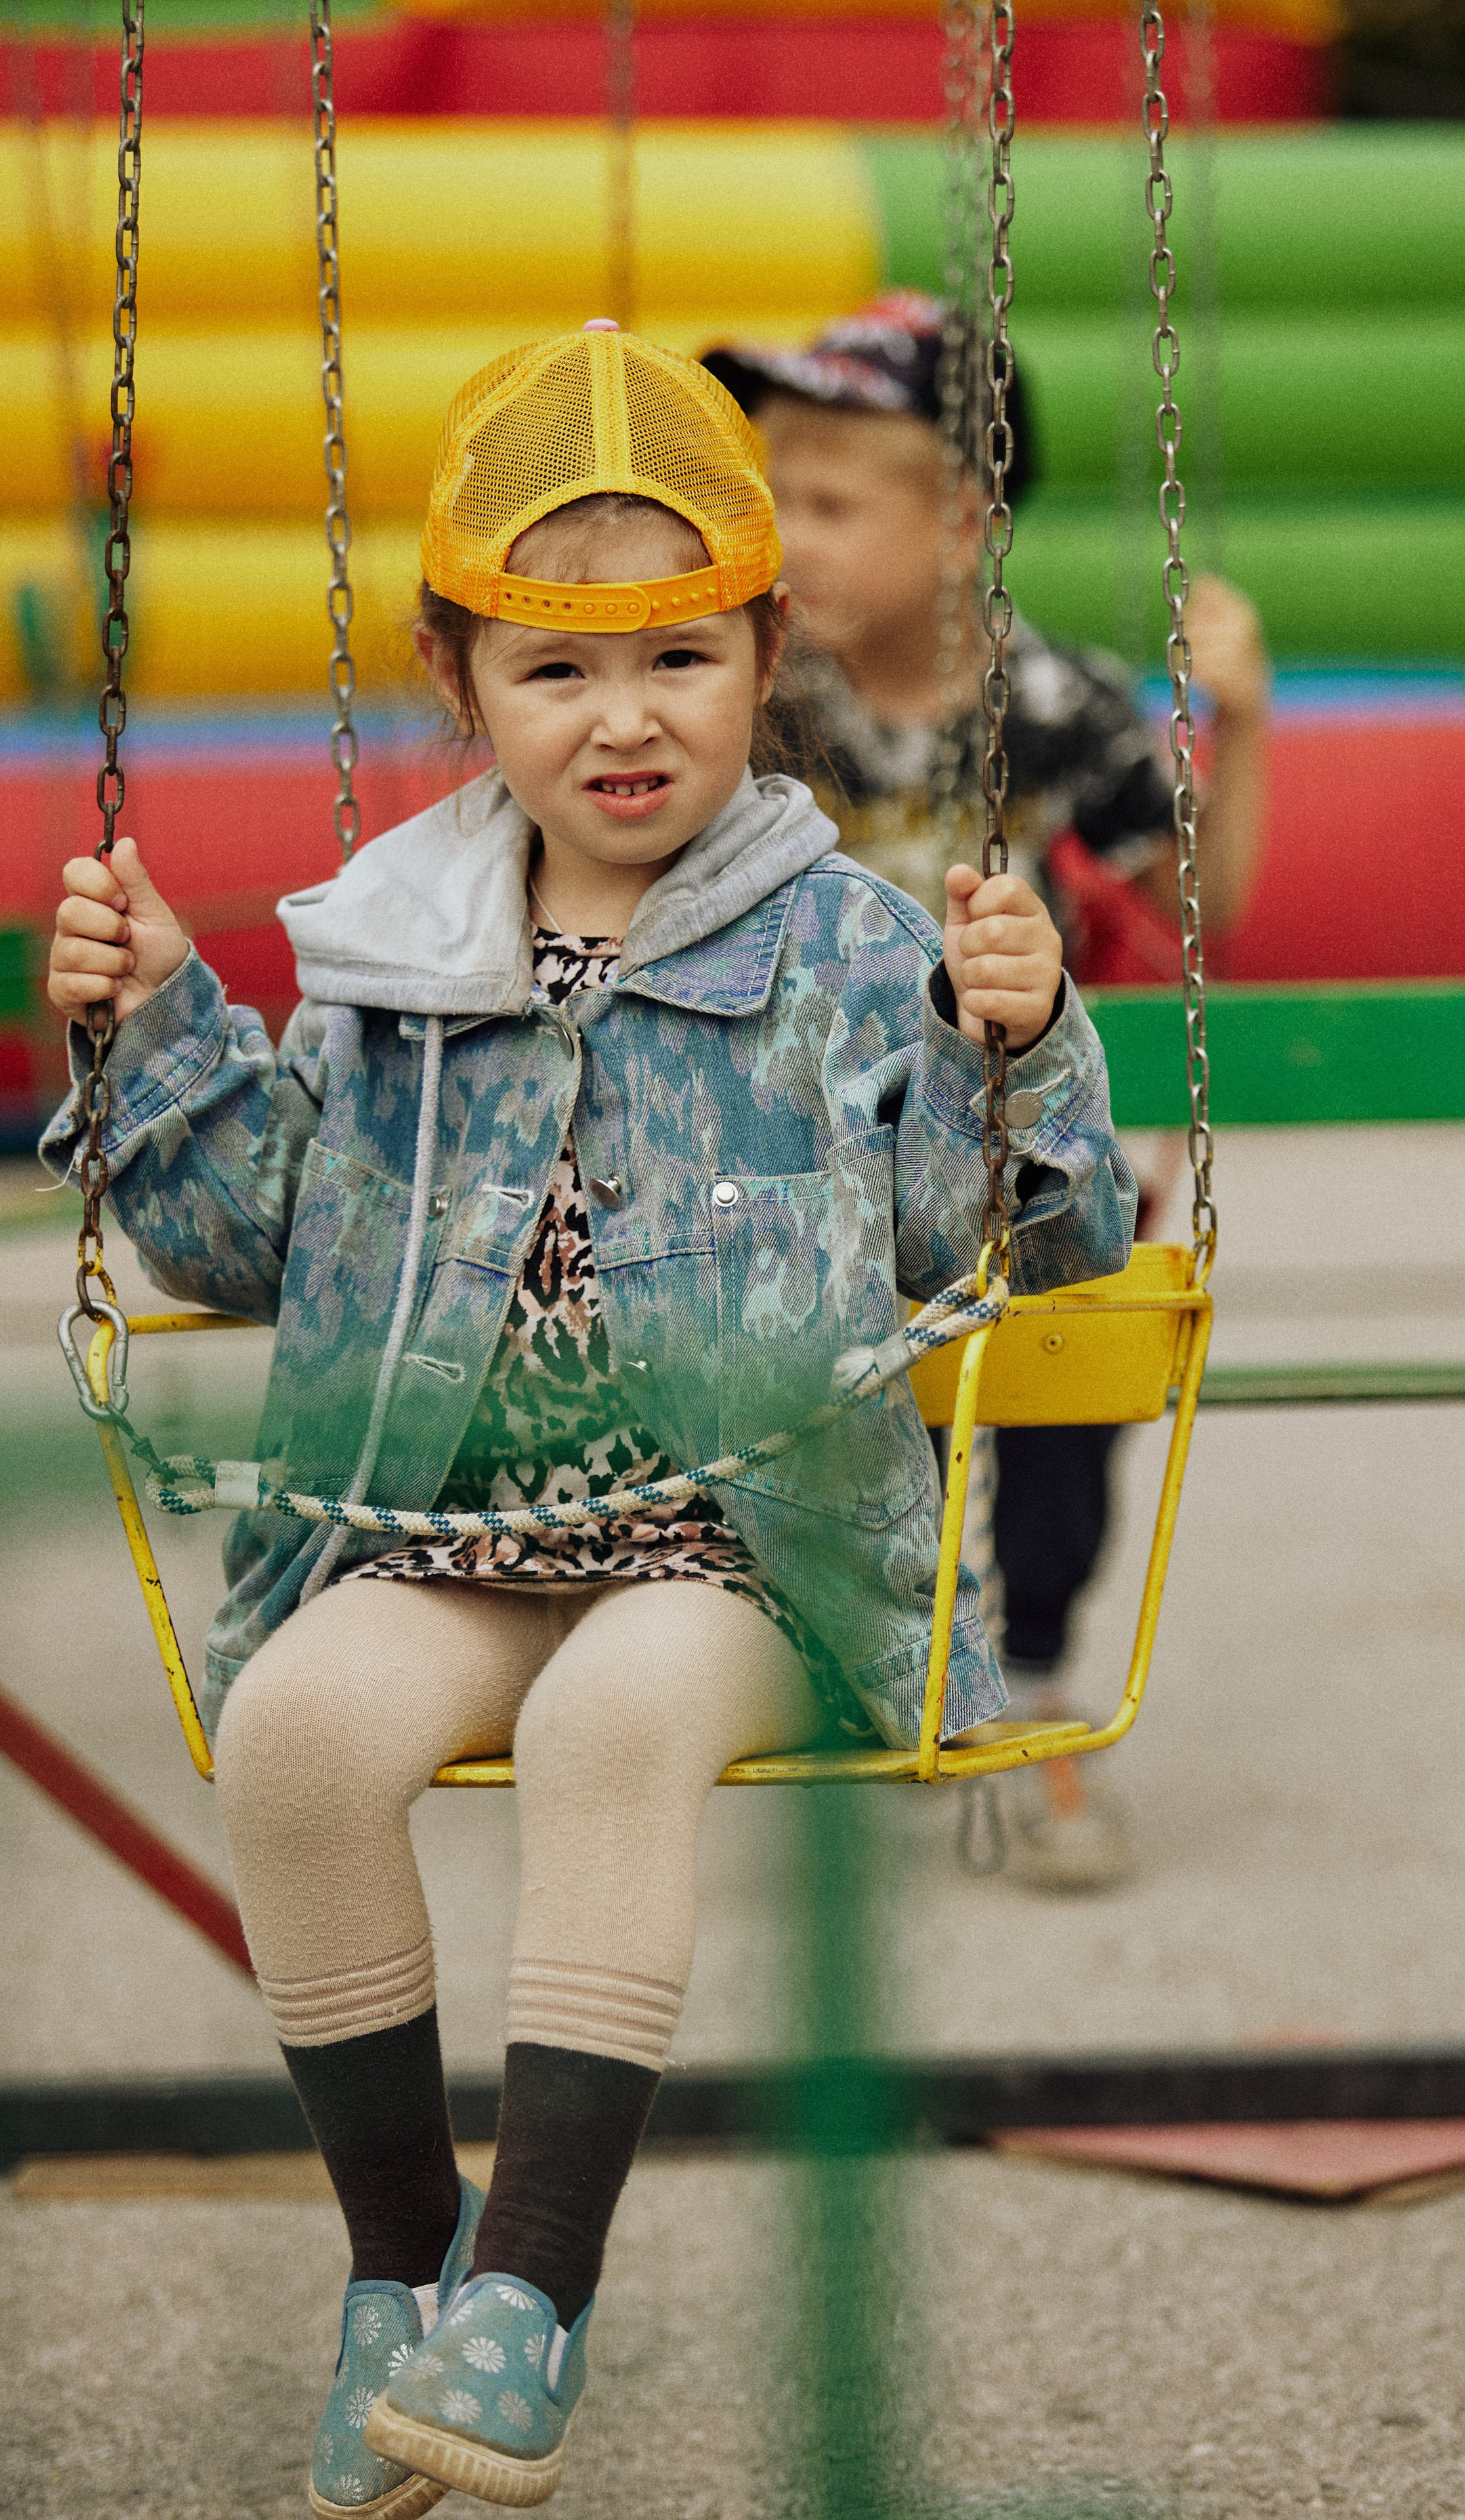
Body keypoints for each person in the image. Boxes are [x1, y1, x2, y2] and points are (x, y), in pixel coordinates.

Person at [42, 326, 1134, 2514]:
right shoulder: (384, 956)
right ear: (463, 685)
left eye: (678, 658)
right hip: (437, 1522)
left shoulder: (852, 943)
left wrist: (1017, 1042)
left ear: (762, 653)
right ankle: (400, 2271)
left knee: (610, 1725)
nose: (622, 718)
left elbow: (991, 1239)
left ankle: (532, 2287)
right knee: (300, 1734)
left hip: (750, 1537)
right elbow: (256, 1243)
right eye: (555, 671)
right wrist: (154, 1019)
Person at [705, 293, 1271, 1895]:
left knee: (1061, 1384)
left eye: (828, 503)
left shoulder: (1066, 713)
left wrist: (1240, 718)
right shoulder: (745, 702)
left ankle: (1030, 1689)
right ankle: (853, 1661)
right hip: (797, 1165)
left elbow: (1201, 912)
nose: (787, 538)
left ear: (961, 522)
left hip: (1021, 1167)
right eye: (770, 500)